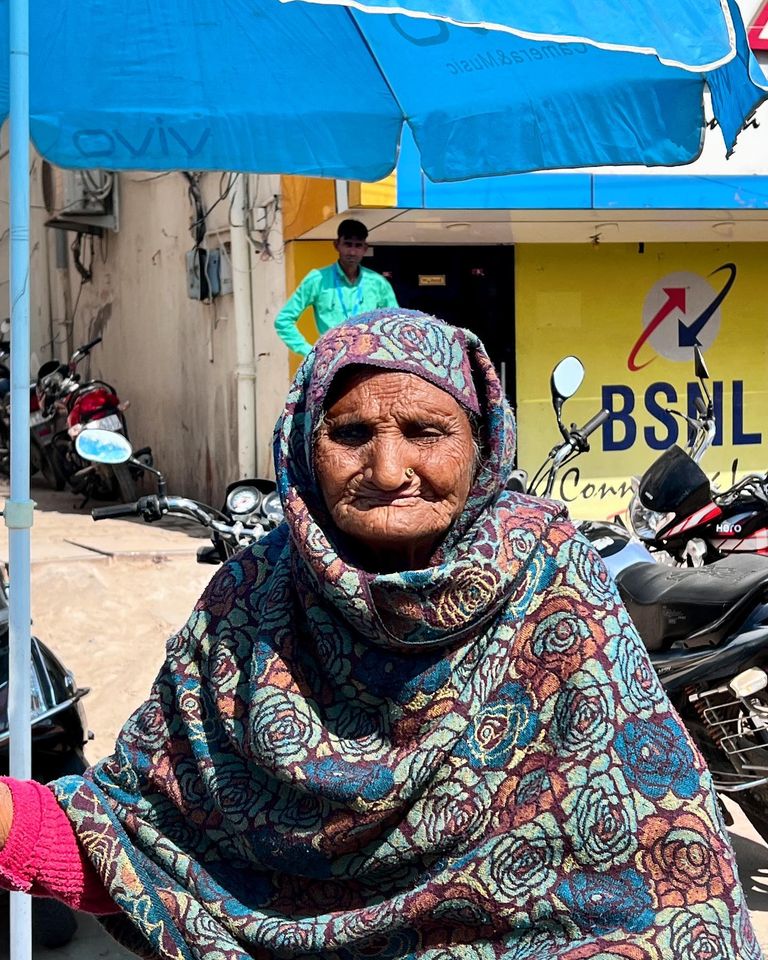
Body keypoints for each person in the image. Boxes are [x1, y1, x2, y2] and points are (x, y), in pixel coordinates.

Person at [0, 309, 761, 960]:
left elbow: (662, 876)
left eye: (426, 431)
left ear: (482, 443)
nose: (389, 468)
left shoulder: (550, 584)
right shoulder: (252, 601)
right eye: (351, 432)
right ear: (303, 443)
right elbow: (133, 845)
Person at [274, 219, 398, 356]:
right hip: (331, 360)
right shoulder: (317, 279)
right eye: (347, 244)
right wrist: (310, 353)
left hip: (368, 359)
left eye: (357, 246)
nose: (352, 252)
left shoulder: (377, 282)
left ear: (365, 248)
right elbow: (283, 321)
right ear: (336, 245)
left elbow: (395, 322)